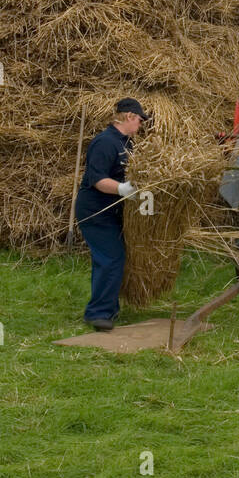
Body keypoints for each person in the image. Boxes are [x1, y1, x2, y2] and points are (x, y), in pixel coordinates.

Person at [73, 97, 148, 329]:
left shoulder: (126, 143)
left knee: (112, 258)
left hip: (112, 212)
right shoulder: (105, 142)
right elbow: (97, 179)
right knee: (111, 258)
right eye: (138, 120)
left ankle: (109, 308)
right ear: (128, 117)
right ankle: (97, 314)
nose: (140, 125)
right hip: (95, 212)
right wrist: (121, 189)